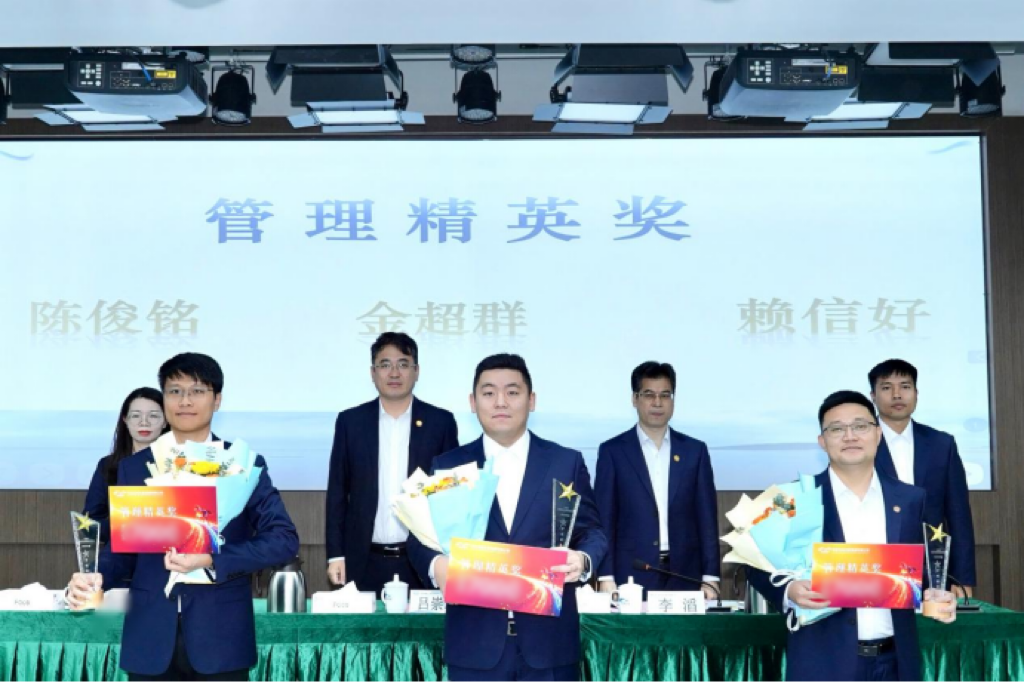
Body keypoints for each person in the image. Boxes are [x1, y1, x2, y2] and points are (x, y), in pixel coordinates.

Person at [67, 352, 300, 681]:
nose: (185, 401)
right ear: (164, 399)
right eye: (175, 391)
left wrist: (212, 559)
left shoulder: (241, 463)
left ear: (217, 400)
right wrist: (96, 575)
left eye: (197, 391)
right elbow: (125, 548)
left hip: (220, 638)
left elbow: (283, 540)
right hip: (150, 638)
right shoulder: (135, 467)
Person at [407, 353, 607, 682]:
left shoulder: (565, 462)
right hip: (475, 645)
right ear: (473, 402)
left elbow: (592, 531)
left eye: (512, 392)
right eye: (488, 392)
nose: (501, 401)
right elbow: (420, 536)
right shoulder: (449, 466)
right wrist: (435, 566)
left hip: (549, 646)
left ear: (532, 400)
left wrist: (583, 560)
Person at [747, 390, 957, 682]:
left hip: (895, 661)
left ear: (877, 434)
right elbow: (754, 561)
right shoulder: (792, 497)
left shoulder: (910, 498)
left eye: (860, 426)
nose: (850, 436)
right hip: (822, 661)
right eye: (837, 429)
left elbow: (916, 572)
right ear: (822, 441)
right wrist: (789, 590)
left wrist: (933, 593)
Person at [325, 332, 459, 595]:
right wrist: (335, 554)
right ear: (373, 373)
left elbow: (451, 497)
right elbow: (338, 493)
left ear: (416, 371)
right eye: (385, 365)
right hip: (363, 560)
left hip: (423, 561)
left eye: (403, 364)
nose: (394, 373)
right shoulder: (351, 422)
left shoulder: (440, 423)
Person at [594, 361, 719, 599]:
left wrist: (711, 576)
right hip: (631, 573)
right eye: (649, 395)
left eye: (665, 395)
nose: (658, 403)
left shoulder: (695, 451)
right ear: (635, 399)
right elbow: (605, 519)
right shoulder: (613, 452)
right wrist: (605, 576)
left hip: (686, 574)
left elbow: (706, 519)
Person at [869, 359, 976, 595]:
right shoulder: (859, 442)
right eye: (886, 388)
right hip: (876, 567)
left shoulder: (941, 444)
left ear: (916, 393)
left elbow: (958, 514)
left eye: (905, 386)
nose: (897, 395)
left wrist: (962, 578)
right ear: (873, 396)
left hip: (933, 570)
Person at [83, 387, 168, 544]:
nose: (144, 422)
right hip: (121, 552)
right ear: (125, 420)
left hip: (169, 552)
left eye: (153, 415)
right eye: (135, 415)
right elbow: (90, 522)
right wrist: (125, 526)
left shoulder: (178, 464)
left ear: (165, 421)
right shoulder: (108, 465)